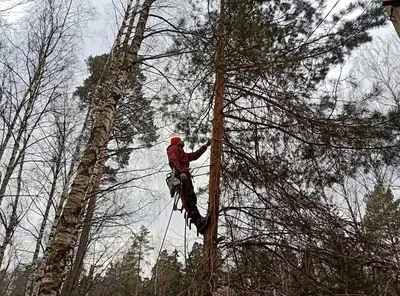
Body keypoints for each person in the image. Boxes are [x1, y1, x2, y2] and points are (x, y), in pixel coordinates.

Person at [167, 137, 211, 234]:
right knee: (188, 198)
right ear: (177, 141)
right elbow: (173, 160)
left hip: (185, 176)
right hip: (181, 176)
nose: (183, 141)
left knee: (191, 197)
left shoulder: (182, 152)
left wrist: (205, 146)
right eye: (180, 140)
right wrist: (181, 172)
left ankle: (199, 222)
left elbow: (194, 155)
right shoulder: (173, 148)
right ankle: (198, 222)